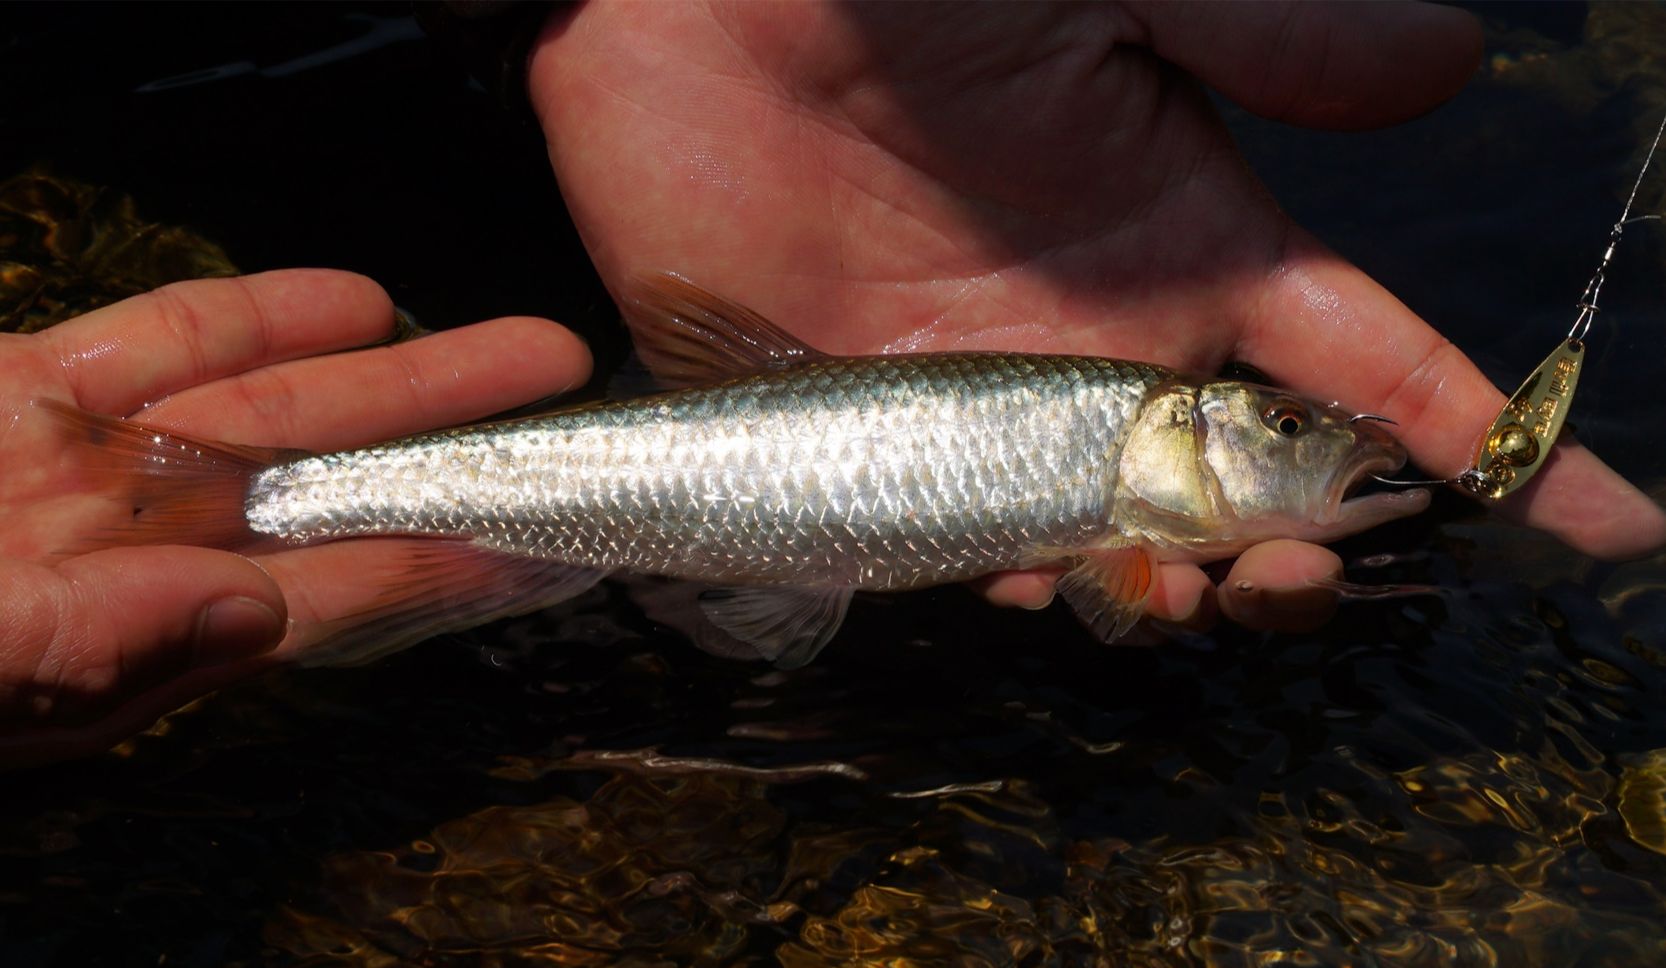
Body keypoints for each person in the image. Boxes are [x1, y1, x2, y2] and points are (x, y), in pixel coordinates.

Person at [1, 2, 1660, 763]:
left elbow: (1113, 586)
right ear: (1202, 441)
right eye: (1296, 433)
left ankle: (241, 495)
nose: (1334, 450)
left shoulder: (1117, 496)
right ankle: (245, 496)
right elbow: (1117, 587)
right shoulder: (1120, 463)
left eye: (1309, 442)